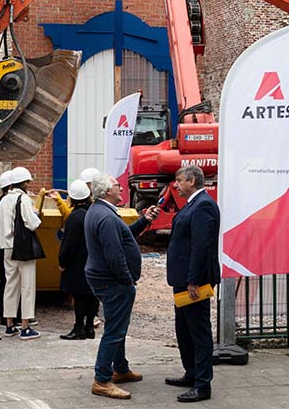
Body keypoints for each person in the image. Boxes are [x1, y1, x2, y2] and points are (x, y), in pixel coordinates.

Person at [85, 173, 160, 399]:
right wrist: (127, 280)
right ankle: (102, 379)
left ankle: (120, 368)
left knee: (117, 326)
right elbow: (115, 255)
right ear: (108, 191)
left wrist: (145, 220)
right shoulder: (106, 217)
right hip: (113, 282)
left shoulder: (100, 211)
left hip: (105, 279)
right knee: (115, 332)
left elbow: (124, 235)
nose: (121, 188)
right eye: (118, 186)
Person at [165, 166, 220, 403]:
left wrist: (194, 280)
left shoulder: (204, 205)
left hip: (193, 283)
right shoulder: (191, 204)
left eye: (179, 181)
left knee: (198, 332)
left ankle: (202, 384)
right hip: (182, 280)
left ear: (192, 181)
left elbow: (202, 245)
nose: (175, 185)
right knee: (184, 330)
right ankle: (192, 373)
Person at [0, 166, 41, 340]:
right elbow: (32, 223)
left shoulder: (4, 200)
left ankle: (9, 325)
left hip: (6, 246)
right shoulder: (24, 199)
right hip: (22, 247)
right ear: (24, 182)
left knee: (10, 284)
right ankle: (25, 327)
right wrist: (37, 215)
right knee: (27, 286)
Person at [58, 179, 97, 341]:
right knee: (92, 295)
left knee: (79, 296)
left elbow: (69, 243)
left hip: (78, 263)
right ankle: (89, 328)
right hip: (94, 261)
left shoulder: (75, 216)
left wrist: (62, 261)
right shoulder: (94, 212)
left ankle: (78, 328)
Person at [0, 170, 21, 328]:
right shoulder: (7, 202)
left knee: (7, 281)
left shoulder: (0, 202)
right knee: (8, 282)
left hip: (2, 246)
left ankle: (8, 316)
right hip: (7, 246)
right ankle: (7, 316)